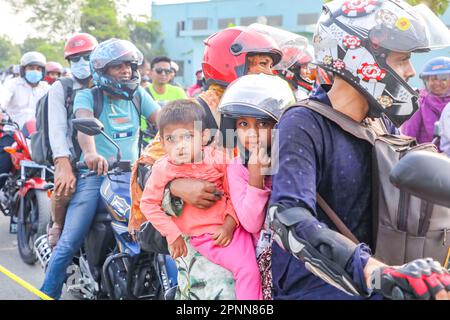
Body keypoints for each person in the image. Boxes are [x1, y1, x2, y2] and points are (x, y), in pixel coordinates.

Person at [269, 0, 450, 300]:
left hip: (382, 275)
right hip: (320, 284)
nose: (411, 72)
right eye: (403, 59)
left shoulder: (380, 123)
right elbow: (288, 215)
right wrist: (371, 269)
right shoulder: (302, 122)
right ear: (361, 58)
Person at [129, 25, 283, 300]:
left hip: (250, 227)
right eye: (261, 63)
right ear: (232, 62)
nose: (269, 71)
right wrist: (177, 186)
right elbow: (146, 166)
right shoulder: (195, 111)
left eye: (270, 65)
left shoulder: (269, 104)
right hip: (203, 237)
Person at [40, 38, 160, 299]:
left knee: (162, 231)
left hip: (134, 177)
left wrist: (185, 135)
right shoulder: (88, 95)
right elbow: (84, 122)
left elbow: (162, 120)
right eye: (118, 66)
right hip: (95, 177)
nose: (126, 70)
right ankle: (48, 293)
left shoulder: (138, 95)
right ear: (103, 71)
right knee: (68, 243)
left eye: (129, 65)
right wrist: (91, 153)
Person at [140, 99, 262, 300]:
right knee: (243, 273)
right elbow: (148, 203)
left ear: (204, 136)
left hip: (232, 231)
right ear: (161, 142)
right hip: (198, 240)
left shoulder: (219, 160)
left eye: (188, 136)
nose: (180, 146)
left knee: (250, 272)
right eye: (171, 139)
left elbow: (234, 195)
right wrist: (172, 234)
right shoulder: (163, 168)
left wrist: (229, 226)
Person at [219, 73, 295, 300]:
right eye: (243, 124)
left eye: (263, 124)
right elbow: (251, 223)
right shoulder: (237, 168)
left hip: (294, 258)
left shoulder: (292, 159)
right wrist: (255, 178)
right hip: (262, 263)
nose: (251, 133)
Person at [46, 33, 98, 249]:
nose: (81, 63)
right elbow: (57, 129)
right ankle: (57, 225)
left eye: (86, 57)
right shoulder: (61, 88)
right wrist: (63, 163)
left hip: (101, 156)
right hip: (69, 154)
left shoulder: (105, 83)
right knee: (66, 186)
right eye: (75, 59)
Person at [402, 57, 450, 145]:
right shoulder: (418, 103)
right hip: (427, 156)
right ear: (426, 80)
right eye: (434, 79)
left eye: (443, 79)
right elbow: (407, 137)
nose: (438, 83)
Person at [0, 51, 49, 129]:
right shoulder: (12, 84)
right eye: (31, 68)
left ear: (43, 72)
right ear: (23, 70)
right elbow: (3, 100)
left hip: (38, 133)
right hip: (13, 131)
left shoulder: (46, 88)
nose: (35, 71)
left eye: (38, 69)